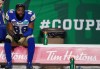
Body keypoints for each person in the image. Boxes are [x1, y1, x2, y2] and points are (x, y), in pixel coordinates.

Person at [4, 3, 35, 69]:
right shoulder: (10, 14)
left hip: (24, 36)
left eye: (22, 10)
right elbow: (9, 30)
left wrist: (22, 35)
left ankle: (29, 63)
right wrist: (14, 35)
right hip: (14, 36)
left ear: (24, 10)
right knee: (7, 39)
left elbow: (30, 31)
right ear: (15, 10)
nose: (21, 12)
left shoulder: (30, 14)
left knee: (31, 39)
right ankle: (9, 63)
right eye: (19, 10)